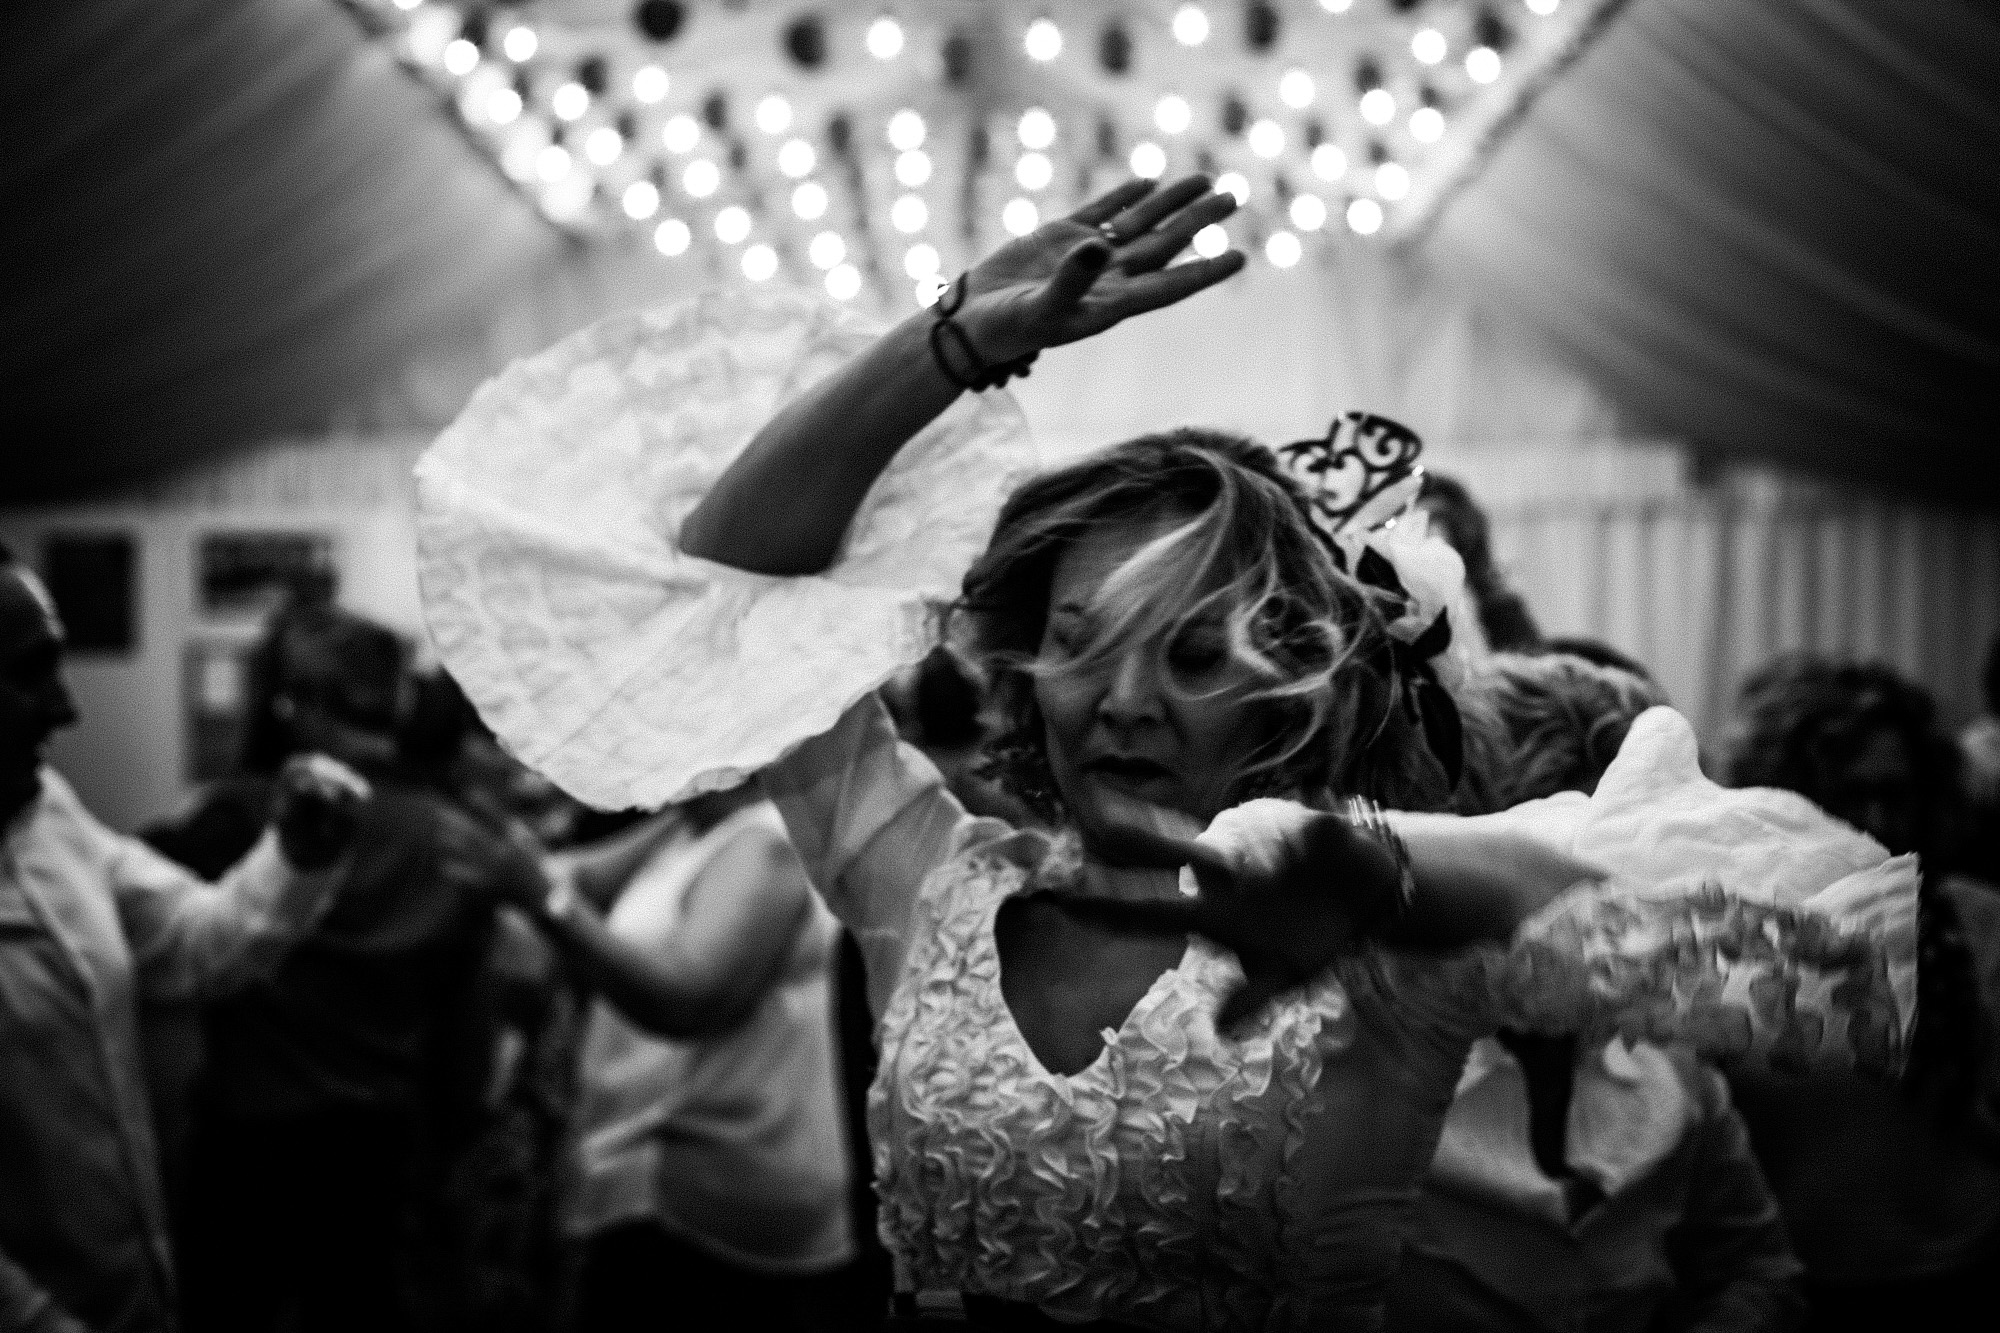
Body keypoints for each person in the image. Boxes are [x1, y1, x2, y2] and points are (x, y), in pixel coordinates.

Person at [417, 177, 1916, 1331]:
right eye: (1081, 641)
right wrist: (948, 345)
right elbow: (718, 585)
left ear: (1298, 686)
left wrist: (1385, 871)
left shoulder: (1369, 923)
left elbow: (1807, 957)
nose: (1121, 700)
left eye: (1195, 654)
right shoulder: (920, 882)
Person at [0, 544, 366, 1333]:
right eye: (29, 671)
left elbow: (198, 944)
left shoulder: (48, 813)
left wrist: (296, 856)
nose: (68, 707)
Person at [1385, 653, 1804, 1333]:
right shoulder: (1369, 1065)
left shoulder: (1673, 1047)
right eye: (1562, 878)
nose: (1620, 916)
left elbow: (1757, 1267)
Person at [143, 599, 526, 1333]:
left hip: (246, 1152)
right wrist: (451, 1147)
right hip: (381, 1157)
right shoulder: (455, 838)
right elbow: (464, 1045)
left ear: (300, 705)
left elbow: (121, 920)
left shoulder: (244, 818)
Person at [1718, 655, 2000, 1333]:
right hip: (1796, 1292)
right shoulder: (1733, 937)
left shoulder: (1980, 923)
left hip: (1971, 1276)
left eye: (1894, 792)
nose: (1876, 818)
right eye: (1846, 794)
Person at [549, 780, 861, 1332]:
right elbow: (571, 875)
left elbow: (691, 999)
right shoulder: (691, 825)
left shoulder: (765, 842)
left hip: (713, 1174)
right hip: (654, 1164)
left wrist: (543, 899)